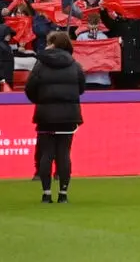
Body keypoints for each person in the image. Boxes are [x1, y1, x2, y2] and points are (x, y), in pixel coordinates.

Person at [26, 26, 85, 204]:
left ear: (52, 44)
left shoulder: (40, 65)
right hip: (69, 116)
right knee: (64, 153)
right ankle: (63, 194)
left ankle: (46, 193)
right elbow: (81, 89)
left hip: (46, 116)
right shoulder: (75, 65)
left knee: (47, 154)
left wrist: (41, 101)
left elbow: (30, 89)